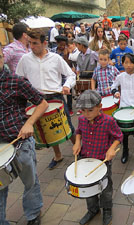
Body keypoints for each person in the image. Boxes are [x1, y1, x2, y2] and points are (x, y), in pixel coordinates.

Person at [0, 43, 49, 225]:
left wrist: (29, 123)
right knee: (0, 185)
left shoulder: (16, 81)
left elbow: (42, 103)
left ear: (3, 57)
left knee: (29, 181)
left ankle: (33, 214)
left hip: (21, 141)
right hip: (0, 144)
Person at [15, 28, 76, 170]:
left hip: (55, 97)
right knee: (48, 129)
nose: (32, 46)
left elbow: (71, 75)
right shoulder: (25, 59)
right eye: (30, 43)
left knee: (67, 125)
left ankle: (80, 149)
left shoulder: (56, 58)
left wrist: (67, 86)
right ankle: (58, 155)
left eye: (35, 43)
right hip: (36, 99)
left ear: (44, 43)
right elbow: (19, 79)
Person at [73, 90, 123, 225]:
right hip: (86, 159)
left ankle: (107, 209)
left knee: (105, 189)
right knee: (88, 187)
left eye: (90, 110)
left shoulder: (109, 121)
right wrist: (78, 142)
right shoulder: (82, 119)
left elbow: (118, 136)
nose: (86, 114)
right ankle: (92, 209)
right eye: (83, 110)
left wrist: (112, 148)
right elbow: (78, 132)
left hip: (102, 161)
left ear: (100, 107)